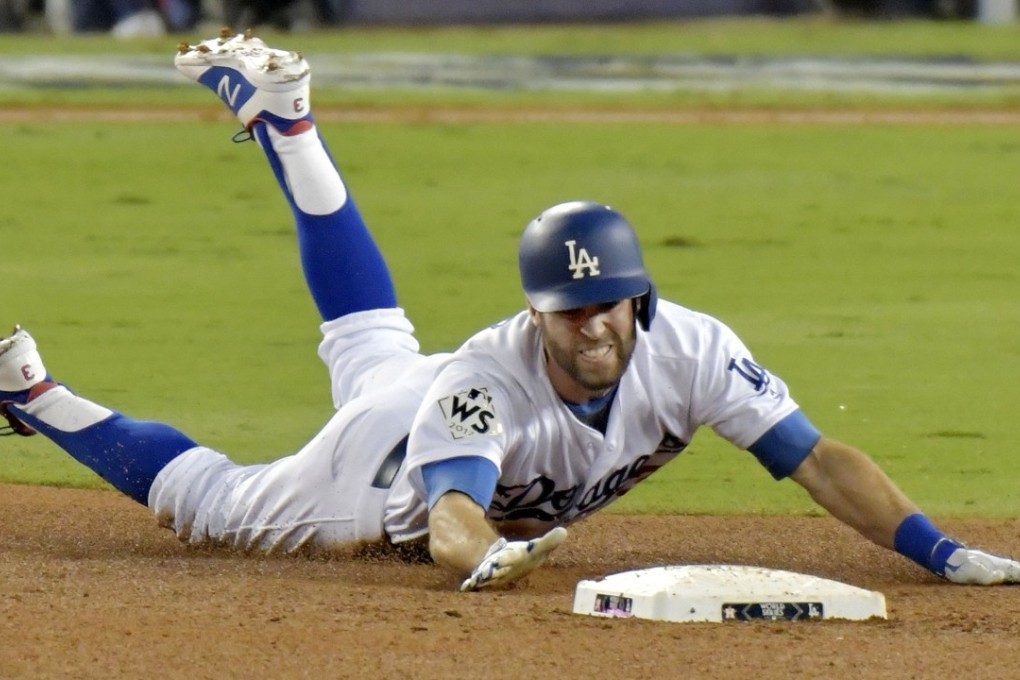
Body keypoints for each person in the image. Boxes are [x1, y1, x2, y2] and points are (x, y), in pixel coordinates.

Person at [2, 31, 1018, 591]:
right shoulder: (489, 381)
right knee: (214, 505)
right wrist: (487, 553)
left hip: (421, 389)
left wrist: (936, 544)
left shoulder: (697, 348)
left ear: (641, 299)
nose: (591, 327)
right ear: (536, 314)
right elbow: (449, 512)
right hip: (374, 474)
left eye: (606, 307)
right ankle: (30, 389)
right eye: (567, 312)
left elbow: (816, 455)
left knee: (370, 337)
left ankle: (290, 124)